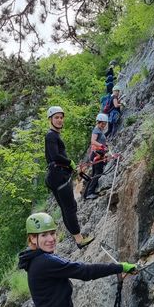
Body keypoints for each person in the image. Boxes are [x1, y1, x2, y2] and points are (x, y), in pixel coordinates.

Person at [45, 106, 93, 249]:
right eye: (56, 118)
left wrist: (71, 166)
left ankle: (77, 238)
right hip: (58, 176)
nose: (59, 120)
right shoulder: (51, 136)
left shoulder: (54, 135)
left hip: (57, 175)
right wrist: (69, 162)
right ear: (50, 119)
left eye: (61, 117)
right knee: (70, 208)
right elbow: (54, 156)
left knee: (67, 208)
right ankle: (79, 240)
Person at [84, 113, 109, 200]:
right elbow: (93, 141)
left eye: (105, 123)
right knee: (97, 173)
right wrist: (102, 146)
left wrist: (105, 146)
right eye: (102, 123)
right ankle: (89, 193)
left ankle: (87, 194)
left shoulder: (100, 130)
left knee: (95, 173)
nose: (104, 125)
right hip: (96, 154)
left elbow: (100, 142)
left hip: (99, 154)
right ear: (98, 122)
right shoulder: (96, 130)